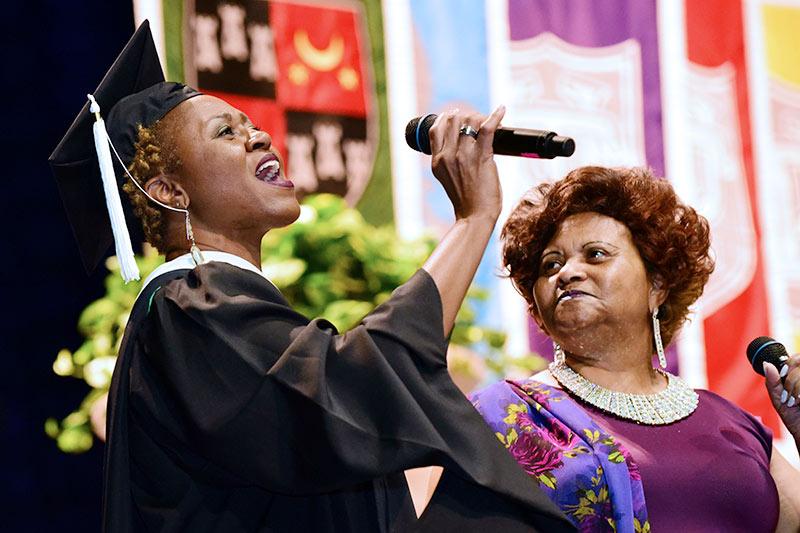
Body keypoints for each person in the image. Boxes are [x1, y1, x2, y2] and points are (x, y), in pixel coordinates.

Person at [49, 22, 574, 532]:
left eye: (249, 123)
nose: (258, 136)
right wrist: (473, 219)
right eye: (226, 132)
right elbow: (354, 392)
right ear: (170, 192)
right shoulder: (189, 308)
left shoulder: (219, 308)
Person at [471, 165, 800, 532]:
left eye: (595, 255)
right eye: (551, 264)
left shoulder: (735, 425)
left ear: (657, 285)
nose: (566, 273)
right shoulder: (507, 415)